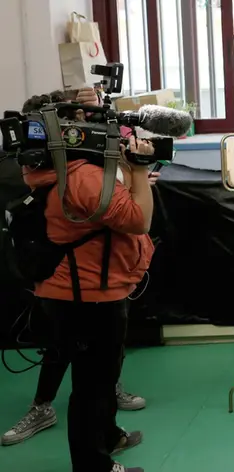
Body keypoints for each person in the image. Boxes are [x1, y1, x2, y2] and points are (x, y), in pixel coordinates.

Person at [2, 89, 156, 450]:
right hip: (86, 290)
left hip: (83, 284)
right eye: (81, 121)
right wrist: (139, 170)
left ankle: (108, 435)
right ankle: (94, 461)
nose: (91, 126)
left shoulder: (52, 168)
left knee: (98, 374)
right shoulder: (79, 176)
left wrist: (129, 177)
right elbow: (138, 219)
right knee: (92, 386)